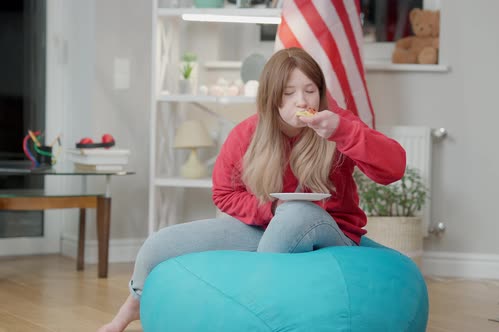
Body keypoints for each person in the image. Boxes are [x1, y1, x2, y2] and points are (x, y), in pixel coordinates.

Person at [97, 47, 406, 332]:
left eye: (310, 90)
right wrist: (268, 210)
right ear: (273, 98)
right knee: (160, 244)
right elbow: (223, 194)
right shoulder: (247, 133)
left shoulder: (338, 125)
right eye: (290, 92)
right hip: (269, 226)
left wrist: (342, 132)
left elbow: (394, 169)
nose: (303, 101)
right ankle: (131, 306)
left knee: (296, 213)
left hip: (333, 232)